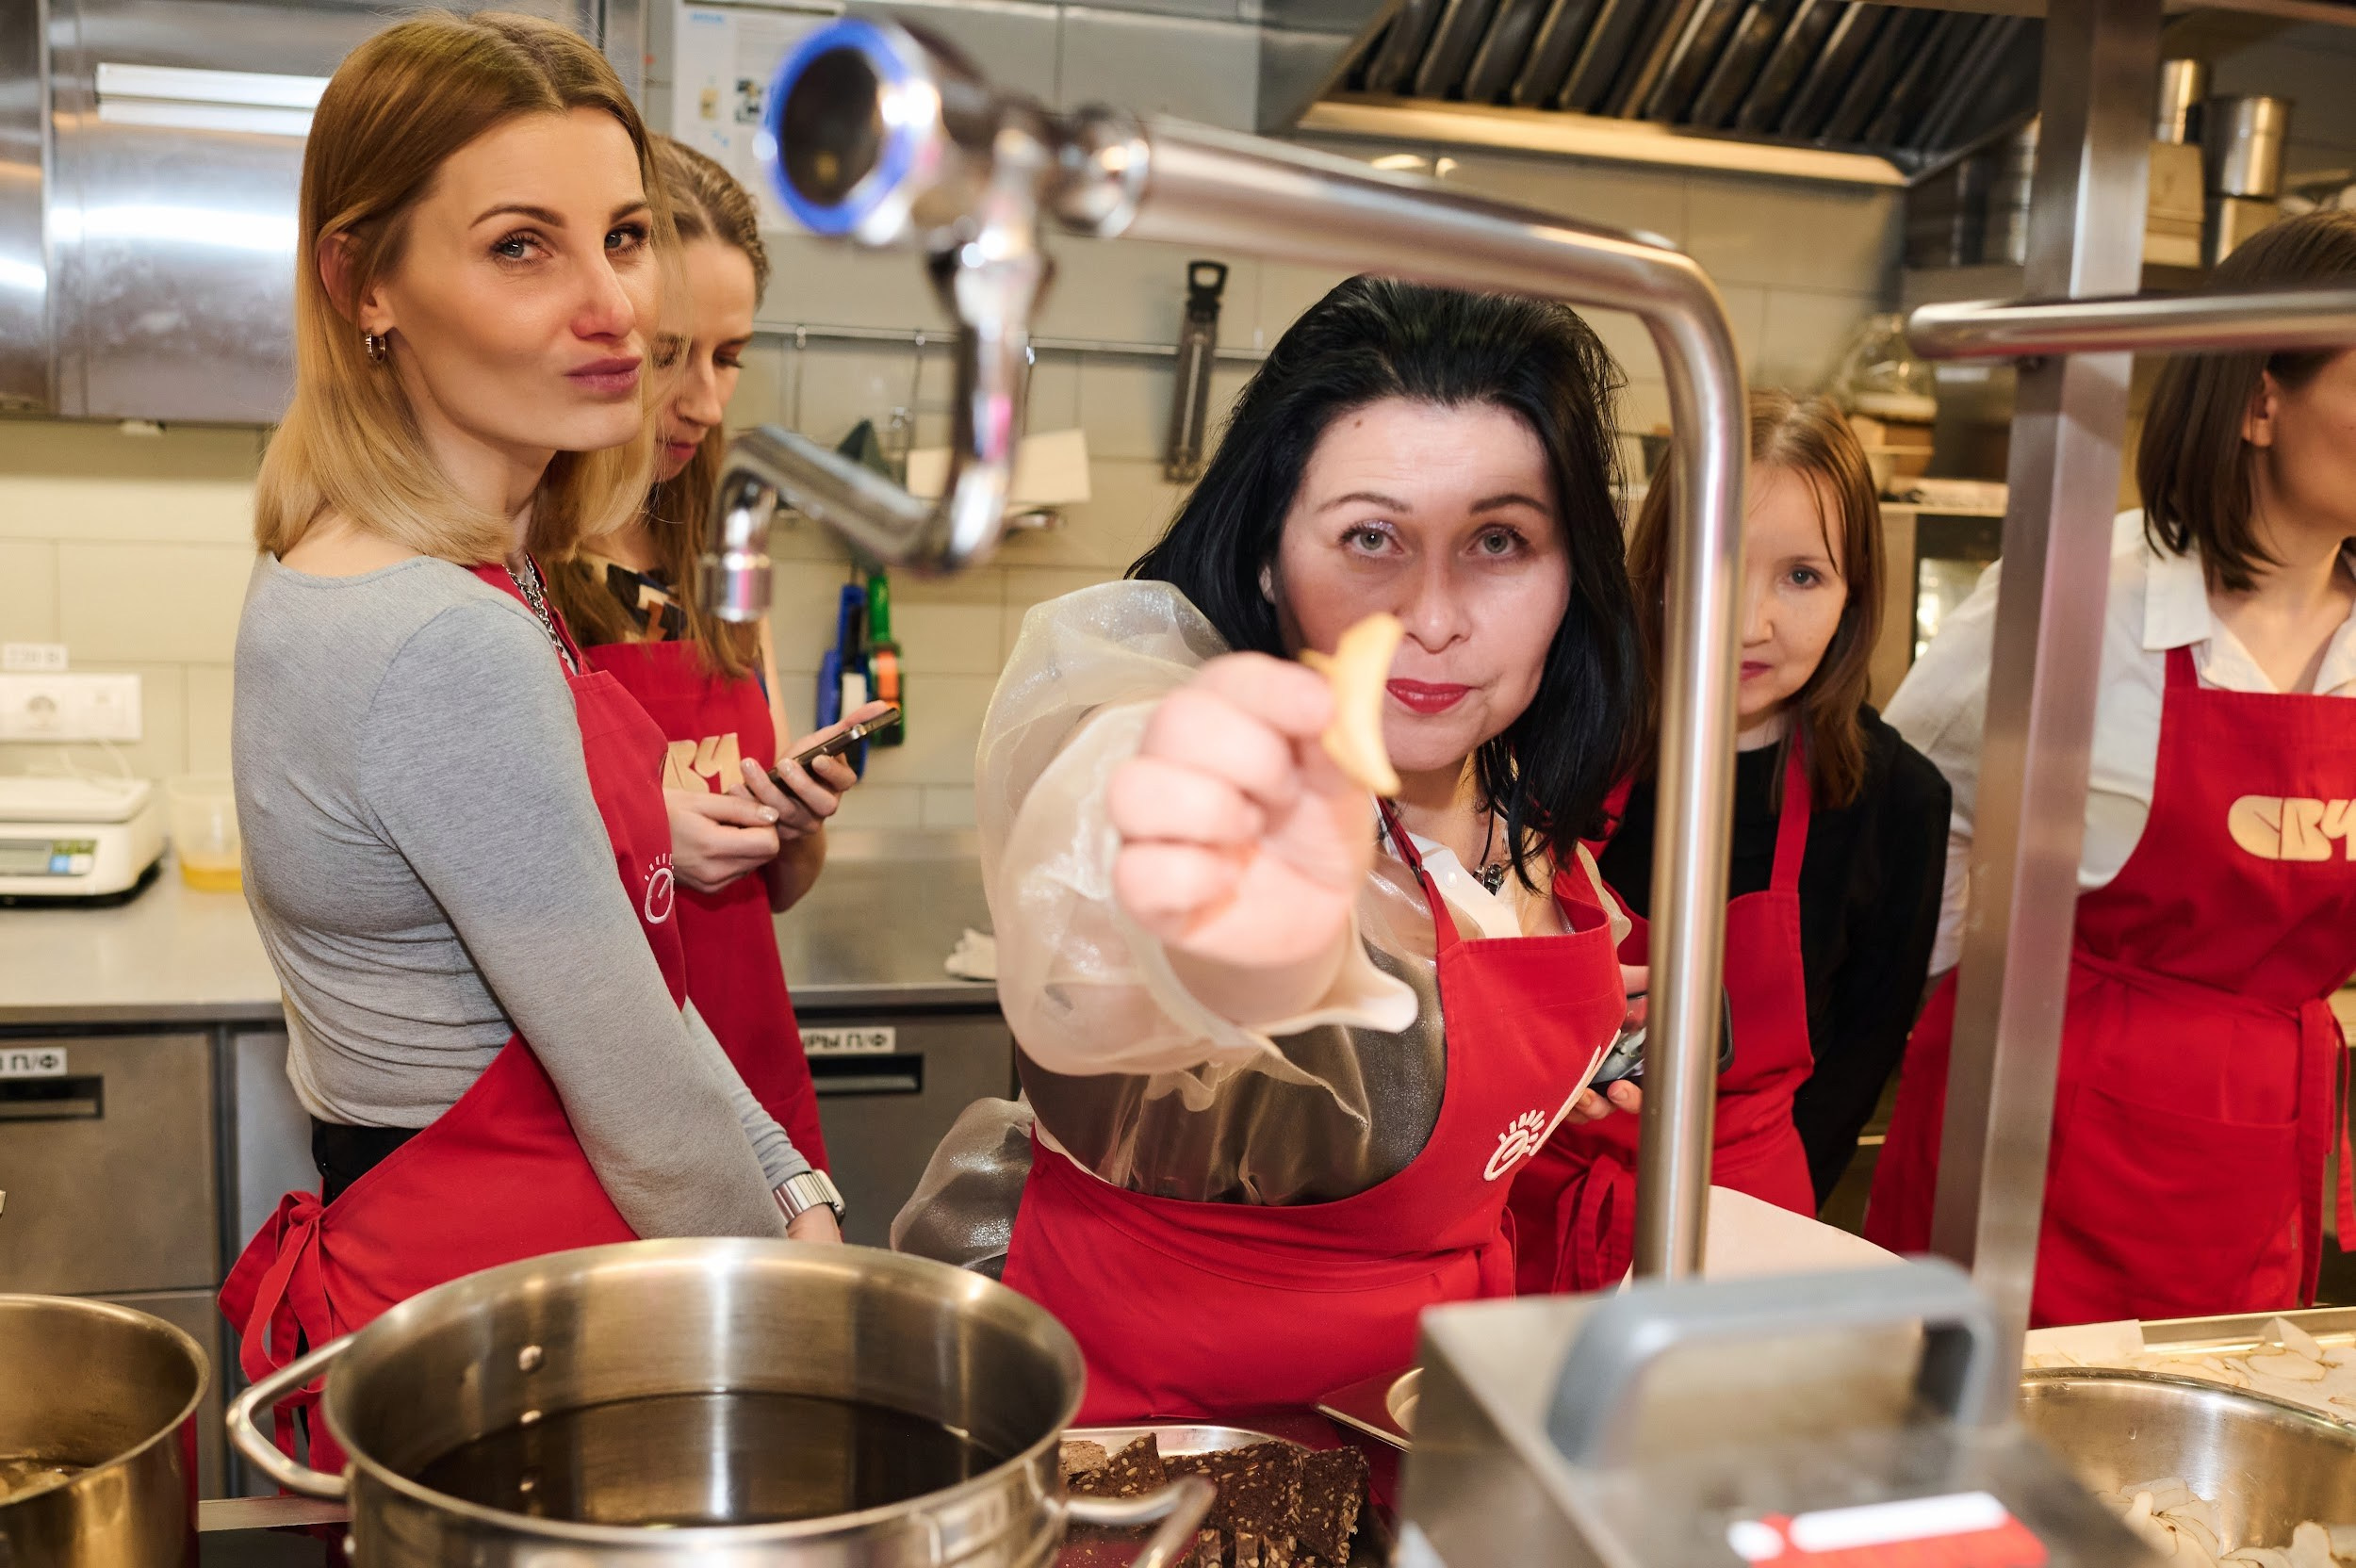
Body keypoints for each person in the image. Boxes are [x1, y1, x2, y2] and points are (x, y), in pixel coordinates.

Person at [221, 10, 836, 1466]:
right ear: (366, 284)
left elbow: (619, 994)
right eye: (520, 246)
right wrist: (811, 1330)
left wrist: (791, 1180)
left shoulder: (404, 564)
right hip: (521, 1339)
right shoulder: (446, 632)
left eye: (623, 237)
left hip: (491, 1298)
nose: (614, 305)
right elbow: (635, 1103)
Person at [892, 277, 1645, 1421]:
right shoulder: (1177, 744)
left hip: (1417, 1432)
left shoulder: (1514, 796)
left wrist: (1582, 1057)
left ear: (1568, 571)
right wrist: (1228, 929)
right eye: (1371, 537)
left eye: (1498, 539)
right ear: (1263, 560)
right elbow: (1127, 918)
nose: (1431, 613)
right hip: (1156, 1463)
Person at [1867, 209, 2356, 1326]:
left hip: (2252, 1162)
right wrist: (1968, 988)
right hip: (2035, 1149)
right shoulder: (2087, 588)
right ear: (2261, 397)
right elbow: (1905, 808)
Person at [1508, 394, 1949, 1293]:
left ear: (1854, 593)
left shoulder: (1897, 800)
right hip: (1527, 1212)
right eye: (1717, 560)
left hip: (1747, 1238)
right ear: (1657, 565)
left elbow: (1859, 1058)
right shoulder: (1550, 751)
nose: (1751, 623)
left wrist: (1766, 1239)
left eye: (1802, 576)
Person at [543, 138, 888, 1172]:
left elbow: (779, 889)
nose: (705, 400)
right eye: (670, 355)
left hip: (748, 1066)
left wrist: (792, 817)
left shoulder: (724, 551)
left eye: (728, 356)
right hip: (592, 1095)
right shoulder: (514, 568)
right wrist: (648, 831)